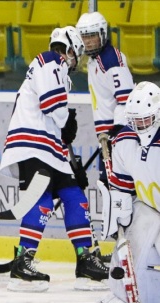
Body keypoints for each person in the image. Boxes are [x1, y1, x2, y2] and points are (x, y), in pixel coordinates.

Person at [0, 26, 109, 292]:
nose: (75, 60)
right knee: (42, 199)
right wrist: (65, 119)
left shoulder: (55, 69)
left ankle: (85, 260)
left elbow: (54, 120)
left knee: (75, 196)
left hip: (48, 149)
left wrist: (69, 161)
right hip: (33, 147)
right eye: (76, 53)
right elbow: (53, 109)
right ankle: (23, 261)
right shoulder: (51, 61)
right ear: (70, 49)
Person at [95, 81, 160, 303]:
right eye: (134, 120)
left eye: (144, 120)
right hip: (148, 207)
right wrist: (119, 217)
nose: (138, 126)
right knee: (130, 248)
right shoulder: (123, 141)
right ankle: (125, 302)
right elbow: (121, 188)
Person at [76, 12, 134, 185]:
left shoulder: (111, 61)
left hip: (117, 138)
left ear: (102, 34)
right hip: (107, 137)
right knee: (106, 185)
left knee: (117, 188)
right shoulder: (94, 60)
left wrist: (115, 134)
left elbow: (126, 101)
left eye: (92, 36)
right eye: (84, 37)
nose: (88, 41)